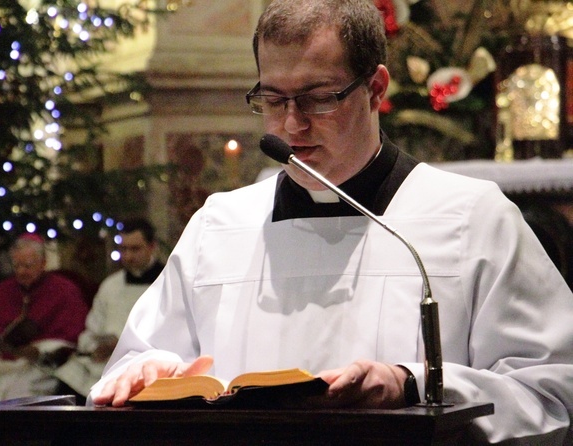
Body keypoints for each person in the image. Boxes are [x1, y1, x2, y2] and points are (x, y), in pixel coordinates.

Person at [89, 1, 573, 444]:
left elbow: (553, 396)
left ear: (375, 89)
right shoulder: (219, 225)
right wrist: (146, 372)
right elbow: (130, 365)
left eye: (318, 99)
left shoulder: (473, 219)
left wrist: (413, 386)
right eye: (274, 101)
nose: (291, 126)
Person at [0, 233, 89, 406]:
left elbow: (71, 337)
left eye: (27, 266)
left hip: (38, 367)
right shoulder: (4, 289)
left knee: (23, 390)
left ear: (43, 263)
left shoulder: (64, 290)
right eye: (17, 266)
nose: (21, 272)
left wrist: (37, 350)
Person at [55, 218, 165, 403]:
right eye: (123, 249)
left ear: (152, 247)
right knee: (65, 385)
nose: (128, 256)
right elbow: (92, 329)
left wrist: (125, 344)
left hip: (147, 363)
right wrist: (95, 347)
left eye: (135, 249)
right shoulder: (110, 285)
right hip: (105, 363)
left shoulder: (167, 282)